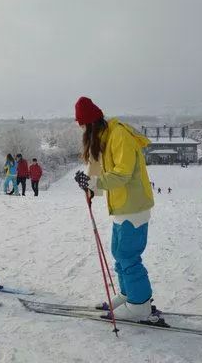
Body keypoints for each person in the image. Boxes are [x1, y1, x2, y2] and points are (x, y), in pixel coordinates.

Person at [72, 97, 159, 324]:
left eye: (82, 125)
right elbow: (96, 165)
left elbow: (123, 173)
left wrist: (95, 183)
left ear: (91, 123)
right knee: (118, 252)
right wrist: (89, 186)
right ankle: (128, 294)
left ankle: (140, 306)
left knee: (128, 254)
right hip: (121, 205)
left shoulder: (118, 135)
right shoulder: (103, 136)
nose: (82, 130)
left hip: (133, 205)